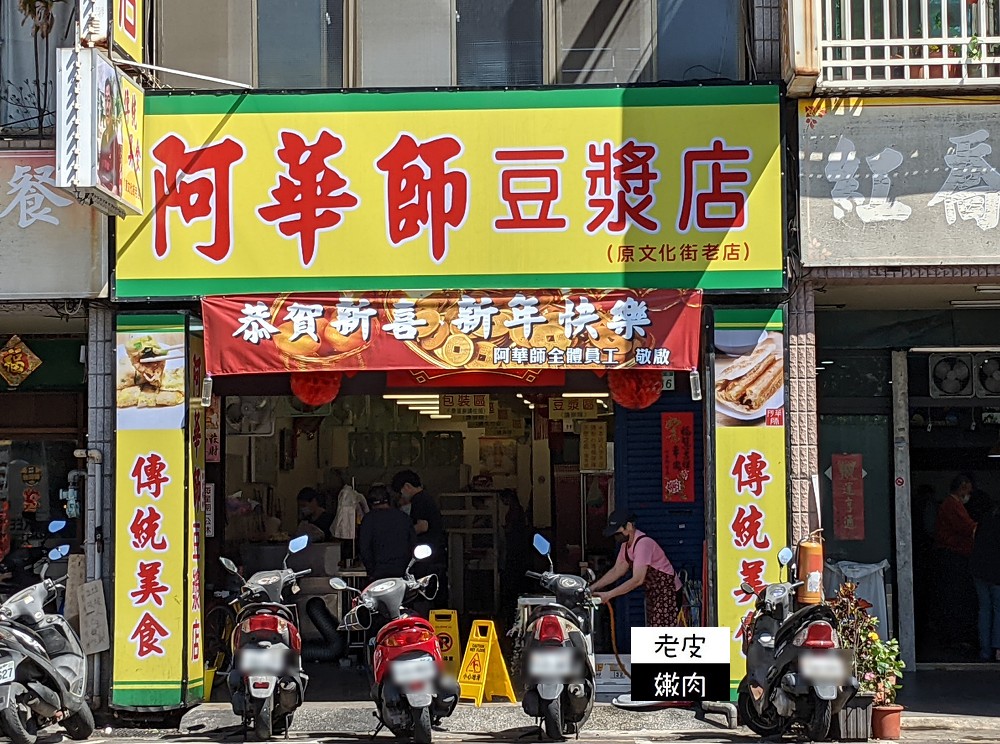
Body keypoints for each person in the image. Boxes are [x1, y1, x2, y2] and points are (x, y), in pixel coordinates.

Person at [589, 510, 682, 626]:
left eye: (618, 531)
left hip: (669, 593)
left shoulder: (643, 544)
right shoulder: (626, 545)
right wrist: (592, 588)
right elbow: (617, 570)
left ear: (629, 526)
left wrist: (608, 595)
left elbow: (638, 579)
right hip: (654, 593)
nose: (616, 536)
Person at [391, 470, 448, 606]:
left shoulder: (419, 499)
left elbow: (423, 526)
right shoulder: (426, 498)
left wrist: (404, 534)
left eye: (401, 492)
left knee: (425, 593)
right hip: (435, 553)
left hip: (428, 555)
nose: (402, 496)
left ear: (407, 486)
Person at [358, 484, 416, 581]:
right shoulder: (403, 517)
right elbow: (413, 543)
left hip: (379, 573)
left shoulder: (368, 519)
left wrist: (371, 571)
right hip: (402, 571)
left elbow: (364, 548)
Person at [971, 502, 1000, 662]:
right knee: (999, 611)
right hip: (997, 572)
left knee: (984, 610)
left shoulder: (986, 519)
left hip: (979, 570)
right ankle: (998, 650)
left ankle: (985, 651)